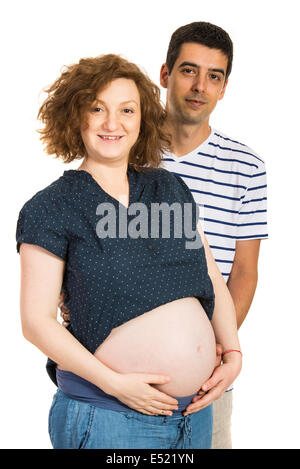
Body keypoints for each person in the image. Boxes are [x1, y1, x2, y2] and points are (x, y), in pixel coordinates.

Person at [16, 53, 242, 449]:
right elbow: (36, 322)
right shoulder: (51, 207)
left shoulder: (168, 189)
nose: (112, 123)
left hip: (195, 416)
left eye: (127, 110)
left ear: (143, 118)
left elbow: (210, 278)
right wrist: (116, 384)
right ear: (76, 116)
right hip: (110, 416)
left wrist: (233, 353)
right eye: (97, 108)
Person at [159, 22, 268, 448]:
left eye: (214, 76)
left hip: (208, 380)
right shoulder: (122, 150)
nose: (199, 86)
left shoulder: (248, 168)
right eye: (188, 70)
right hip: (123, 375)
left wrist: (215, 347)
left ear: (224, 88)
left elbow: (243, 272)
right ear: (165, 74)